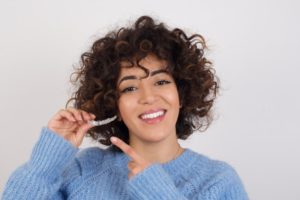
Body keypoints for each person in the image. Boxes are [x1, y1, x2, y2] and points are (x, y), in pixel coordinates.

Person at [2, 16, 249, 199]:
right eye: (130, 88)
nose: (148, 97)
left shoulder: (218, 182)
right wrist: (47, 161)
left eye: (161, 81)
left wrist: (157, 192)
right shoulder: (82, 170)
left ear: (181, 94)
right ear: (114, 104)